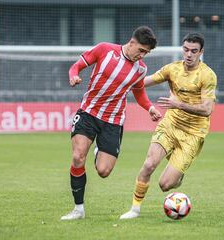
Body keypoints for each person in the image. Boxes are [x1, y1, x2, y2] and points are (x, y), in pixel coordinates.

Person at [60, 26, 162, 221]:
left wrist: (150, 108)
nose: (142, 55)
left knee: (104, 171)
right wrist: (73, 76)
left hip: (113, 121)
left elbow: (139, 94)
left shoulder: (140, 69)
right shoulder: (105, 49)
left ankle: (99, 150)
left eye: (146, 53)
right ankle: (78, 209)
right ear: (131, 42)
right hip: (88, 113)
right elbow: (76, 66)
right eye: (141, 50)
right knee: (78, 157)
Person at [120, 33, 217, 219]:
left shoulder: (207, 75)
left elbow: (207, 109)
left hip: (193, 134)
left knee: (165, 184)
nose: (189, 54)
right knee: (149, 165)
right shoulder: (172, 69)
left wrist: (178, 104)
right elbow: (141, 82)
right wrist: (120, 79)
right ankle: (134, 209)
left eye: (194, 51)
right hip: (170, 125)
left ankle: (177, 175)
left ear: (201, 52)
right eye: (186, 50)